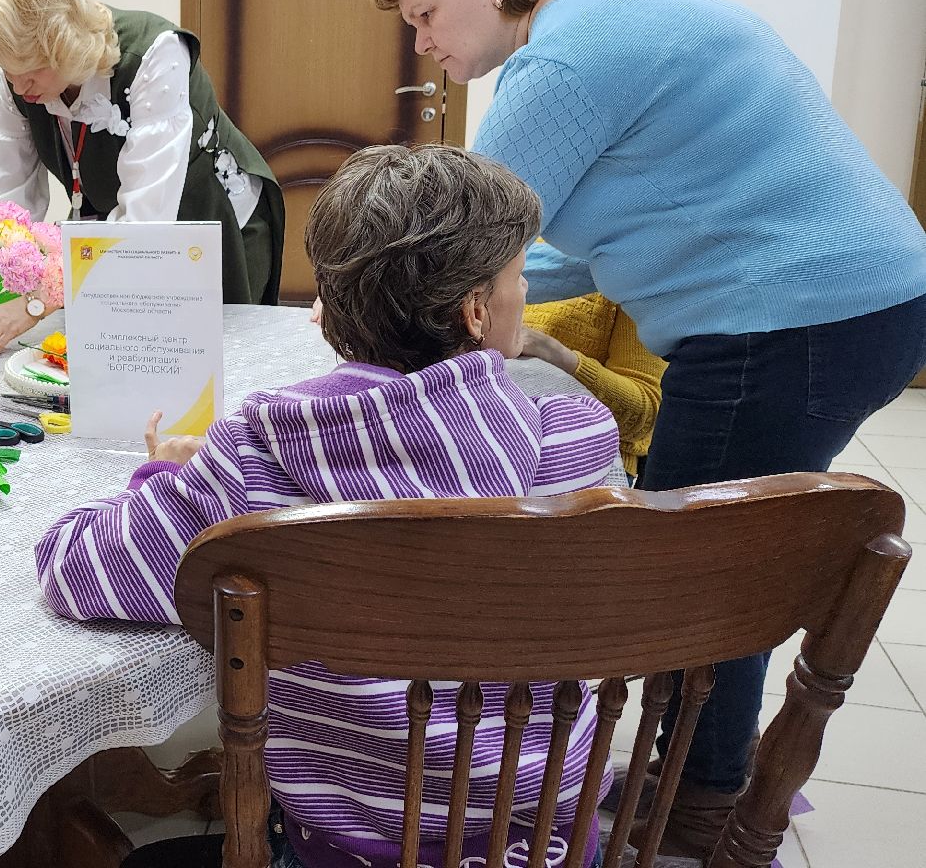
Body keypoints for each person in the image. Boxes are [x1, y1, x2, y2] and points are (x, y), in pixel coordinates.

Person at [369, 0, 926, 857]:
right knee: (728, 550)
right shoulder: (625, 13)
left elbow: (465, 237)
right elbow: (565, 252)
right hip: (862, 303)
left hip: (786, 323)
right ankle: (698, 773)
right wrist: (485, 298)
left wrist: (361, 303)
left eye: (426, 14)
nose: (422, 45)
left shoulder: (559, 64)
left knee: (695, 574)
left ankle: (698, 804)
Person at [35, 145, 620, 868]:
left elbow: (72, 568)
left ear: (327, 308)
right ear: (475, 311)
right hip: (550, 847)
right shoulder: (580, 445)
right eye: (518, 279)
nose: (522, 294)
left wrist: (158, 477)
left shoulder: (249, 464)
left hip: (347, 853)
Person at [0, 0, 285, 347]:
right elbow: (2, 188)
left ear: (64, 45)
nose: (19, 85)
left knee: (212, 365)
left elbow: (145, 220)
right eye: (7, 68)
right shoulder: (17, 81)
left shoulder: (155, 53)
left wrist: (36, 300)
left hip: (215, 227)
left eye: (30, 68)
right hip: (125, 238)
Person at [520, 273, 666, 478]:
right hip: (496, 449)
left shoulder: (635, 270)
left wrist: (552, 353)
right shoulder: (500, 253)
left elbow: (642, 417)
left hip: (590, 466)